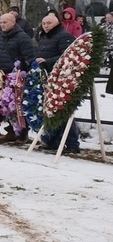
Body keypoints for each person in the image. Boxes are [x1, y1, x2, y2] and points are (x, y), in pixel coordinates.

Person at [36, 11, 79, 153]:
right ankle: (53, 140)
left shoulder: (64, 36)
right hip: (47, 76)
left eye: (49, 23)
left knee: (63, 111)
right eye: (43, 24)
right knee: (51, 110)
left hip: (61, 79)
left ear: (56, 23)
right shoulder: (44, 37)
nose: (46, 26)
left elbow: (66, 56)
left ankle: (72, 143)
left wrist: (47, 61)